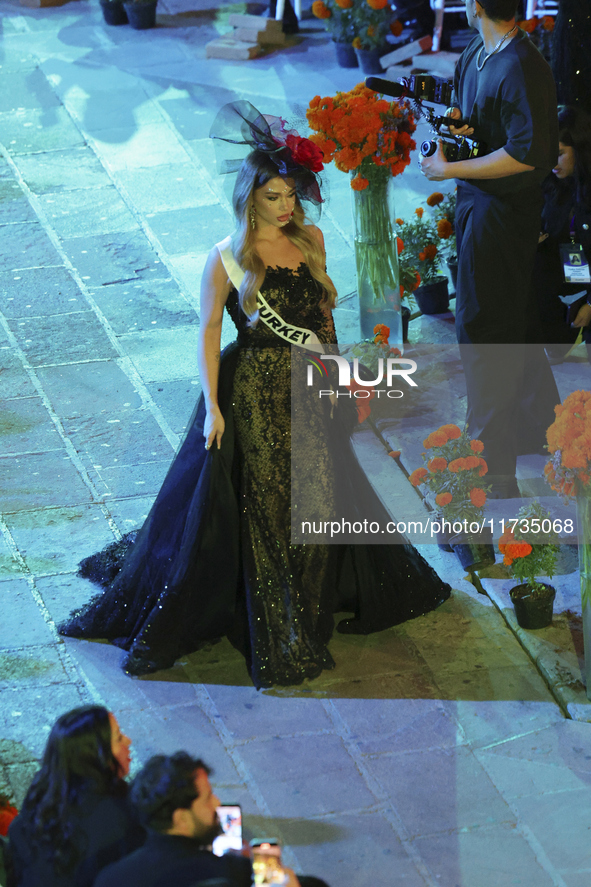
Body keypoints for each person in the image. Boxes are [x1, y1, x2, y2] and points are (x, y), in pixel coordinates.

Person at [59, 101, 450, 689]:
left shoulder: (312, 239)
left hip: (310, 388)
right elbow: (210, 334)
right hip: (254, 394)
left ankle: (310, 599)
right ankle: (280, 620)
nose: (287, 206)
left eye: (291, 195)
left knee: (318, 497)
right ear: (249, 198)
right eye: (274, 197)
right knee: (269, 504)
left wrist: (342, 379)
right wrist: (213, 407)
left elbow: (322, 320)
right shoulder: (226, 259)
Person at [419, 0, 560, 495]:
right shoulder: (479, 50)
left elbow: (528, 155)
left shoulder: (522, 64)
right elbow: (490, 127)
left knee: (483, 332)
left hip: (502, 219)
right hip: (480, 209)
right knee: (513, 323)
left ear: (477, 5)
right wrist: (462, 129)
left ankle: (489, 470)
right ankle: (538, 432)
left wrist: (450, 169)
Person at [95, 752, 328, 887]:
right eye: (207, 799)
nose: (217, 804)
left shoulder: (109, 878)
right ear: (181, 819)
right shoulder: (224, 873)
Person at [7, 706, 144, 887]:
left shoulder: (44, 789)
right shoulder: (119, 814)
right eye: (118, 738)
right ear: (96, 756)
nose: (128, 740)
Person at [534, 105, 591, 357]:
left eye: (558, 154)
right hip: (560, 287)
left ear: (579, 150)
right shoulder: (550, 184)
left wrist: (590, 304)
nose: (552, 163)